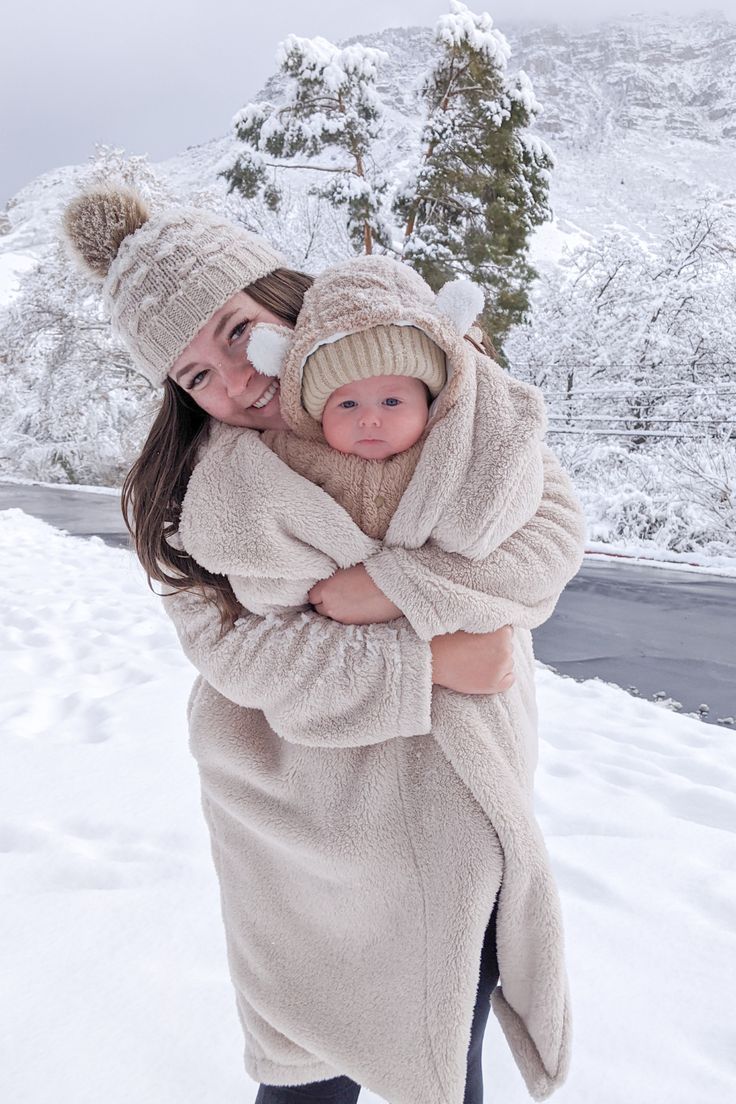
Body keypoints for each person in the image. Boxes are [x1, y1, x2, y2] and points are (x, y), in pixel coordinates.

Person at [62, 187, 587, 1104]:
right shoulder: (195, 495)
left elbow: (546, 536)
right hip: (295, 834)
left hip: (457, 815)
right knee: (306, 1070)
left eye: (235, 331)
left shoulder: (430, 391)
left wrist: (388, 590)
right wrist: (425, 663)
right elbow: (243, 657)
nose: (233, 383)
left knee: (438, 1052)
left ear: (283, 296)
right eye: (193, 376)